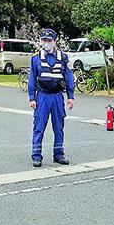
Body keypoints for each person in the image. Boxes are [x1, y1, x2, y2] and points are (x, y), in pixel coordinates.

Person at [28, 28, 75, 167]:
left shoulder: (63, 58)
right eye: (44, 40)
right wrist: (32, 98)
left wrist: (70, 96)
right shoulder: (36, 59)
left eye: (49, 40)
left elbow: (68, 77)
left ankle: (58, 154)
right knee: (39, 128)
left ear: (55, 41)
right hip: (42, 96)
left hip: (57, 96)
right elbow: (32, 79)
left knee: (58, 127)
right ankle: (36, 155)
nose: (46, 43)